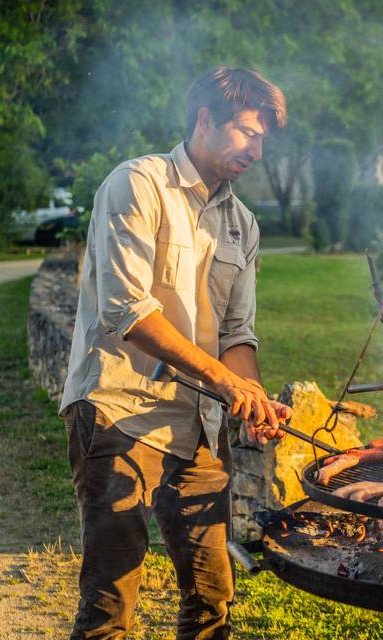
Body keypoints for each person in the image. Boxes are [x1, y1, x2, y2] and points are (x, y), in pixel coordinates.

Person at [60, 66, 292, 639]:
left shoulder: (244, 224)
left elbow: (238, 333)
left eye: (264, 137)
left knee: (213, 597)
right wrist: (227, 381)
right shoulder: (138, 185)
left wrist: (252, 399)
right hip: (119, 410)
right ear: (205, 120)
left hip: (197, 427)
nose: (256, 149)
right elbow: (128, 312)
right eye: (245, 131)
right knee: (112, 603)